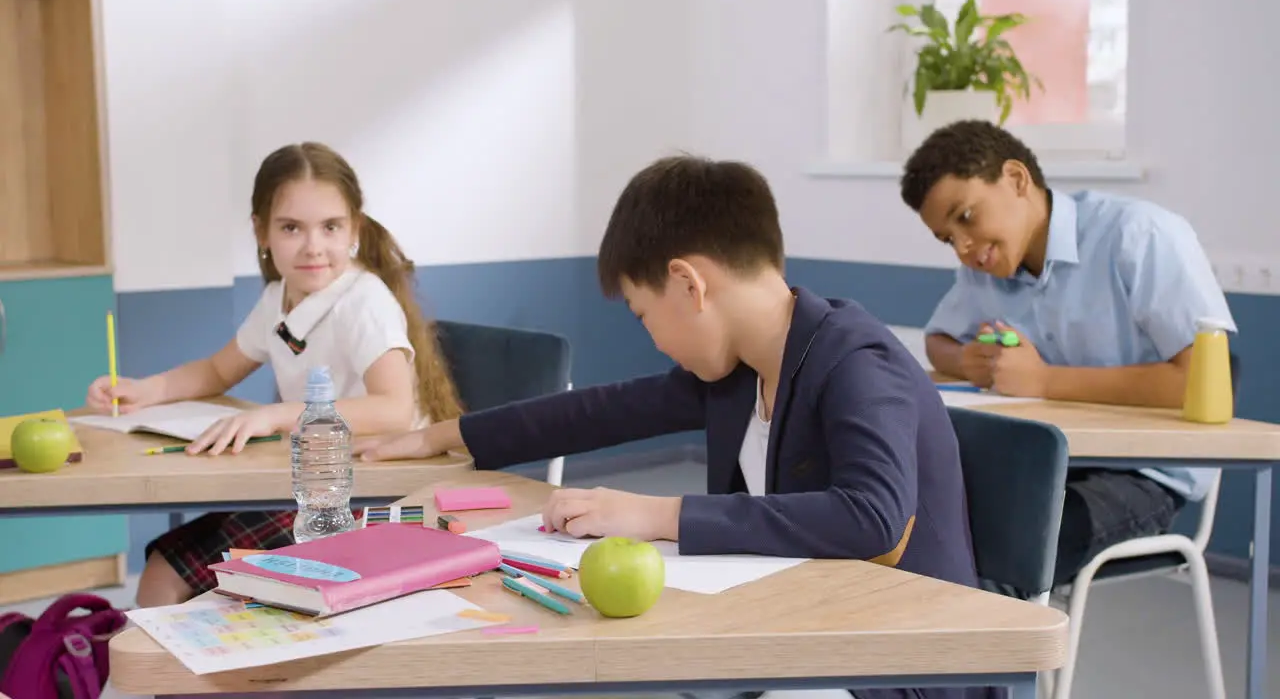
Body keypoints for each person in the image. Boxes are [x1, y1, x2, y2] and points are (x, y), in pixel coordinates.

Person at [359, 154, 1000, 699]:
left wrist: (657, 515)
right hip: (805, 635)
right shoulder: (742, 369)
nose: (656, 341)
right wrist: (445, 435)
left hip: (900, 667)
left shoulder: (860, 363)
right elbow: (600, 409)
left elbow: (872, 517)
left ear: (687, 284)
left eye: (643, 315)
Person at [85, 142, 463, 607]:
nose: (313, 246)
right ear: (261, 232)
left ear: (354, 229)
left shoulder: (364, 302)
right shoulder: (280, 298)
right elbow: (218, 369)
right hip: (311, 488)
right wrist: (144, 390)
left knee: (173, 586)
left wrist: (277, 416)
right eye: (291, 228)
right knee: (162, 578)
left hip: (373, 497)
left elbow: (395, 410)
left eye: (330, 227)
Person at [899, 119, 1235, 587]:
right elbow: (940, 343)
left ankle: (982, 657)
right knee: (913, 524)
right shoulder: (986, 266)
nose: (964, 247)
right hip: (1042, 464)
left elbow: (1203, 379)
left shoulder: (1139, 235)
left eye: (967, 217)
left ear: (1017, 179)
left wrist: (1045, 381)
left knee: (1001, 550)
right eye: (948, 238)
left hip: (1140, 476)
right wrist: (965, 361)